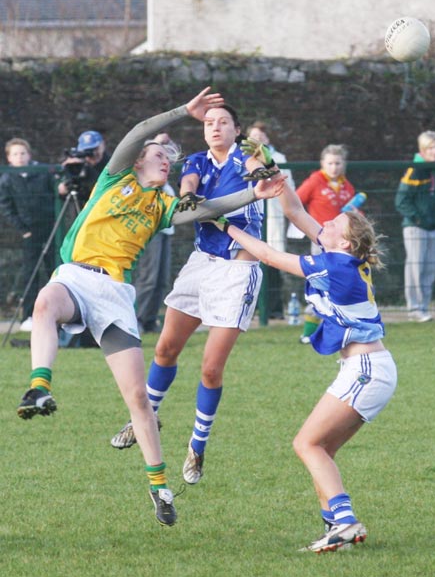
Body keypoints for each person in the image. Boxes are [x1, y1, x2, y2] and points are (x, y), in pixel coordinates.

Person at [15, 87, 285, 528]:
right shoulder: (115, 178)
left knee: (139, 399)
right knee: (45, 301)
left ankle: (159, 487)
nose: (167, 160)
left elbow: (208, 209)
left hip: (116, 298)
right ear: (139, 160)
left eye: (169, 157)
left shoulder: (163, 206)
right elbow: (142, 130)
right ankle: (39, 387)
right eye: (160, 154)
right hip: (77, 277)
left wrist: (255, 195)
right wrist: (183, 112)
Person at [110, 109, 319, 491]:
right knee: (165, 349)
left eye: (223, 122)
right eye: (209, 123)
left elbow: (271, 181)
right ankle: (144, 417)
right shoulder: (195, 161)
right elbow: (188, 183)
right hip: (200, 264)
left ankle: (197, 446)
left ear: (237, 130)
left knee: (210, 369)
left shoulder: (249, 156)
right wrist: (188, 196)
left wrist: (319, 237)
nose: (215, 127)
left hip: (237, 272)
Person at [207, 186, 397, 553]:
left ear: (343, 243)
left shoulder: (336, 263)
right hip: (370, 367)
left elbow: (266, 255)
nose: (323, 224)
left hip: (366, 369)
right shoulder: (340, 255)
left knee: (306, 443)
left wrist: (223, 225)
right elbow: (295, 210)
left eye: (332, 224)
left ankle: (345, 522)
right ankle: (335, 530)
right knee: (321, 448)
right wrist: (278, 180)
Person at [289, 144, 356, 343]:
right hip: (321, 241)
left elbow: (352, 214)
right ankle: (308, 333)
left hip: (344, 243)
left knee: (338, 286)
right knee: (321, 283)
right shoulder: (315, 181)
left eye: (338, 163)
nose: (334, 167)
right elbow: (295, 202)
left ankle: (337, 328)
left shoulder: (347, 186)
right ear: (322, 164)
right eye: (330, 163)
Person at [0, 137, 56, 331]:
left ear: (29, 154)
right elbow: (6, 207)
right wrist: (23, 230)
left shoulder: (44, 172)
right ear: (9, 158)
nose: (20, 157)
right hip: (29, 233)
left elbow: (57, 194)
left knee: (55, 270)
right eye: (15, 154)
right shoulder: (7, 179)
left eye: (23, 153)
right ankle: (29, 316)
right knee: (30, 273)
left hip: (50, 228)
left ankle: (58, 314)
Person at [395, 130, 435, 322]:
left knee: (431, 267)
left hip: (434, 227)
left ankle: (425, 306)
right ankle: (414, 308)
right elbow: (401, 201)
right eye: (430, 148)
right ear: (422, 150)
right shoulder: (414, 170)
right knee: (415, 266)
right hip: (415, 227)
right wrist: (418, 218)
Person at [246, 121, 296, 319]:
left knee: (274, 262)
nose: (258, 140)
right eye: (254, 136)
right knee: (252, 262)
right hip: (252, 213)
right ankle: (255, 308)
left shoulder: (279, 158)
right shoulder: (244, 158)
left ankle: (274, 309)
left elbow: (288, 184)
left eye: (261, 136)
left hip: (273, 213)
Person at [133, 133, 177, 334]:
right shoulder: (142, 175)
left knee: (162, 279)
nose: (164, 160)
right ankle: (137, 319)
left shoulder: (163, 176)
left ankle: (150, 319)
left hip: (166, 230)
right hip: (151, 229)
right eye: (159, 154)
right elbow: (141, 150)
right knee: (148, 278)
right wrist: (156, 141)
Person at [57, 130, 111, 227]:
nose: (92, 154)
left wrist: (88, 170)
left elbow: (102, 189)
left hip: (103, 217)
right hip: (79, 215)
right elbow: (71, 193)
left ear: (102, 145)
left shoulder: (111, 164)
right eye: (87, 150)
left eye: (95, 149)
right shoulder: (79, 165)